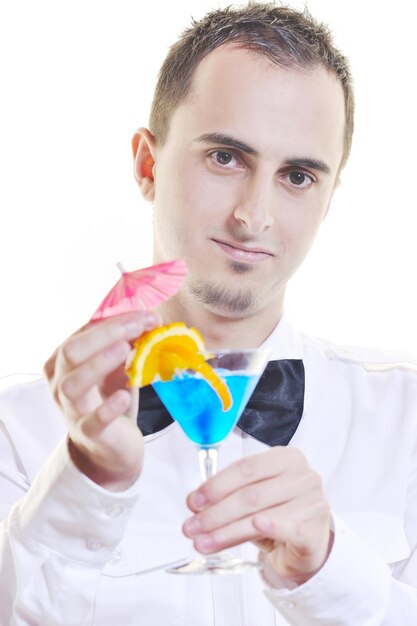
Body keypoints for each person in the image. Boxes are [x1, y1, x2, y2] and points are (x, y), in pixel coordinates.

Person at [1, 2, 416, 624]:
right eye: (225, 157)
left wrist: (330, 573)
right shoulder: (17, 433)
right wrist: (87, 478)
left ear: (328, 200)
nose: (254, 216)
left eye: (298, 176)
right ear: (147, 165)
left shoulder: (404, 421)